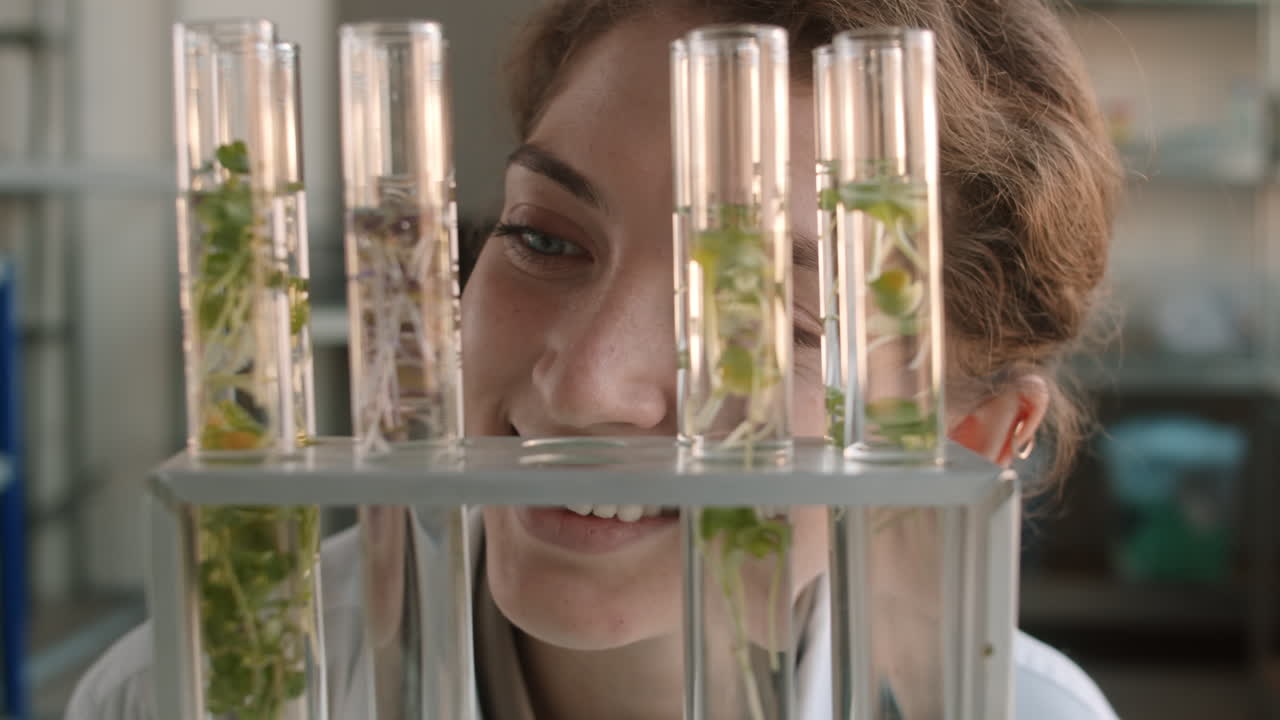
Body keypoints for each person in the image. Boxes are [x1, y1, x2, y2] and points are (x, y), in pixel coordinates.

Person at [68, 0, 1122, 718]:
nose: (582, 386)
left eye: (760, 314)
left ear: (968, 438)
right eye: (543, 238)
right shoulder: (185, 691)